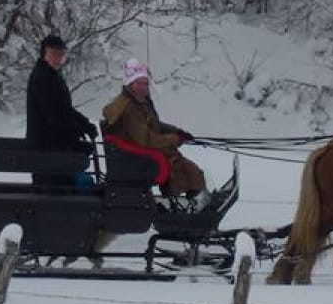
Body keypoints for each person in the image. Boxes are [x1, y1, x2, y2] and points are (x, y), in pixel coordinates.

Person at [102, 58, 208, 207]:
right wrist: (173, 139)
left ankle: (188, 201)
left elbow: (155, 124)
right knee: (186, 167)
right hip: (137, 158)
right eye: (139, 83)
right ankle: (188, 204)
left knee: (188, 167)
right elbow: (145, 139)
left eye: (145, 83)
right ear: (130, 84)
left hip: (138, 154)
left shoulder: (140, 102)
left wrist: (178, 132)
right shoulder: (130, 108)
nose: (143, 87)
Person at [25, 34, 98, 188]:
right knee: (58, 190)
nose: (59, 58)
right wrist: (76, 129)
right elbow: (54, 115)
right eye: (54, 54)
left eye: (61, 54)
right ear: (44, 54)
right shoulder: (42, 77)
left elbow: (64, 108)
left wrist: (84, 124)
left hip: (55, 146)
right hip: (46, 150)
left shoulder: (52, 75)